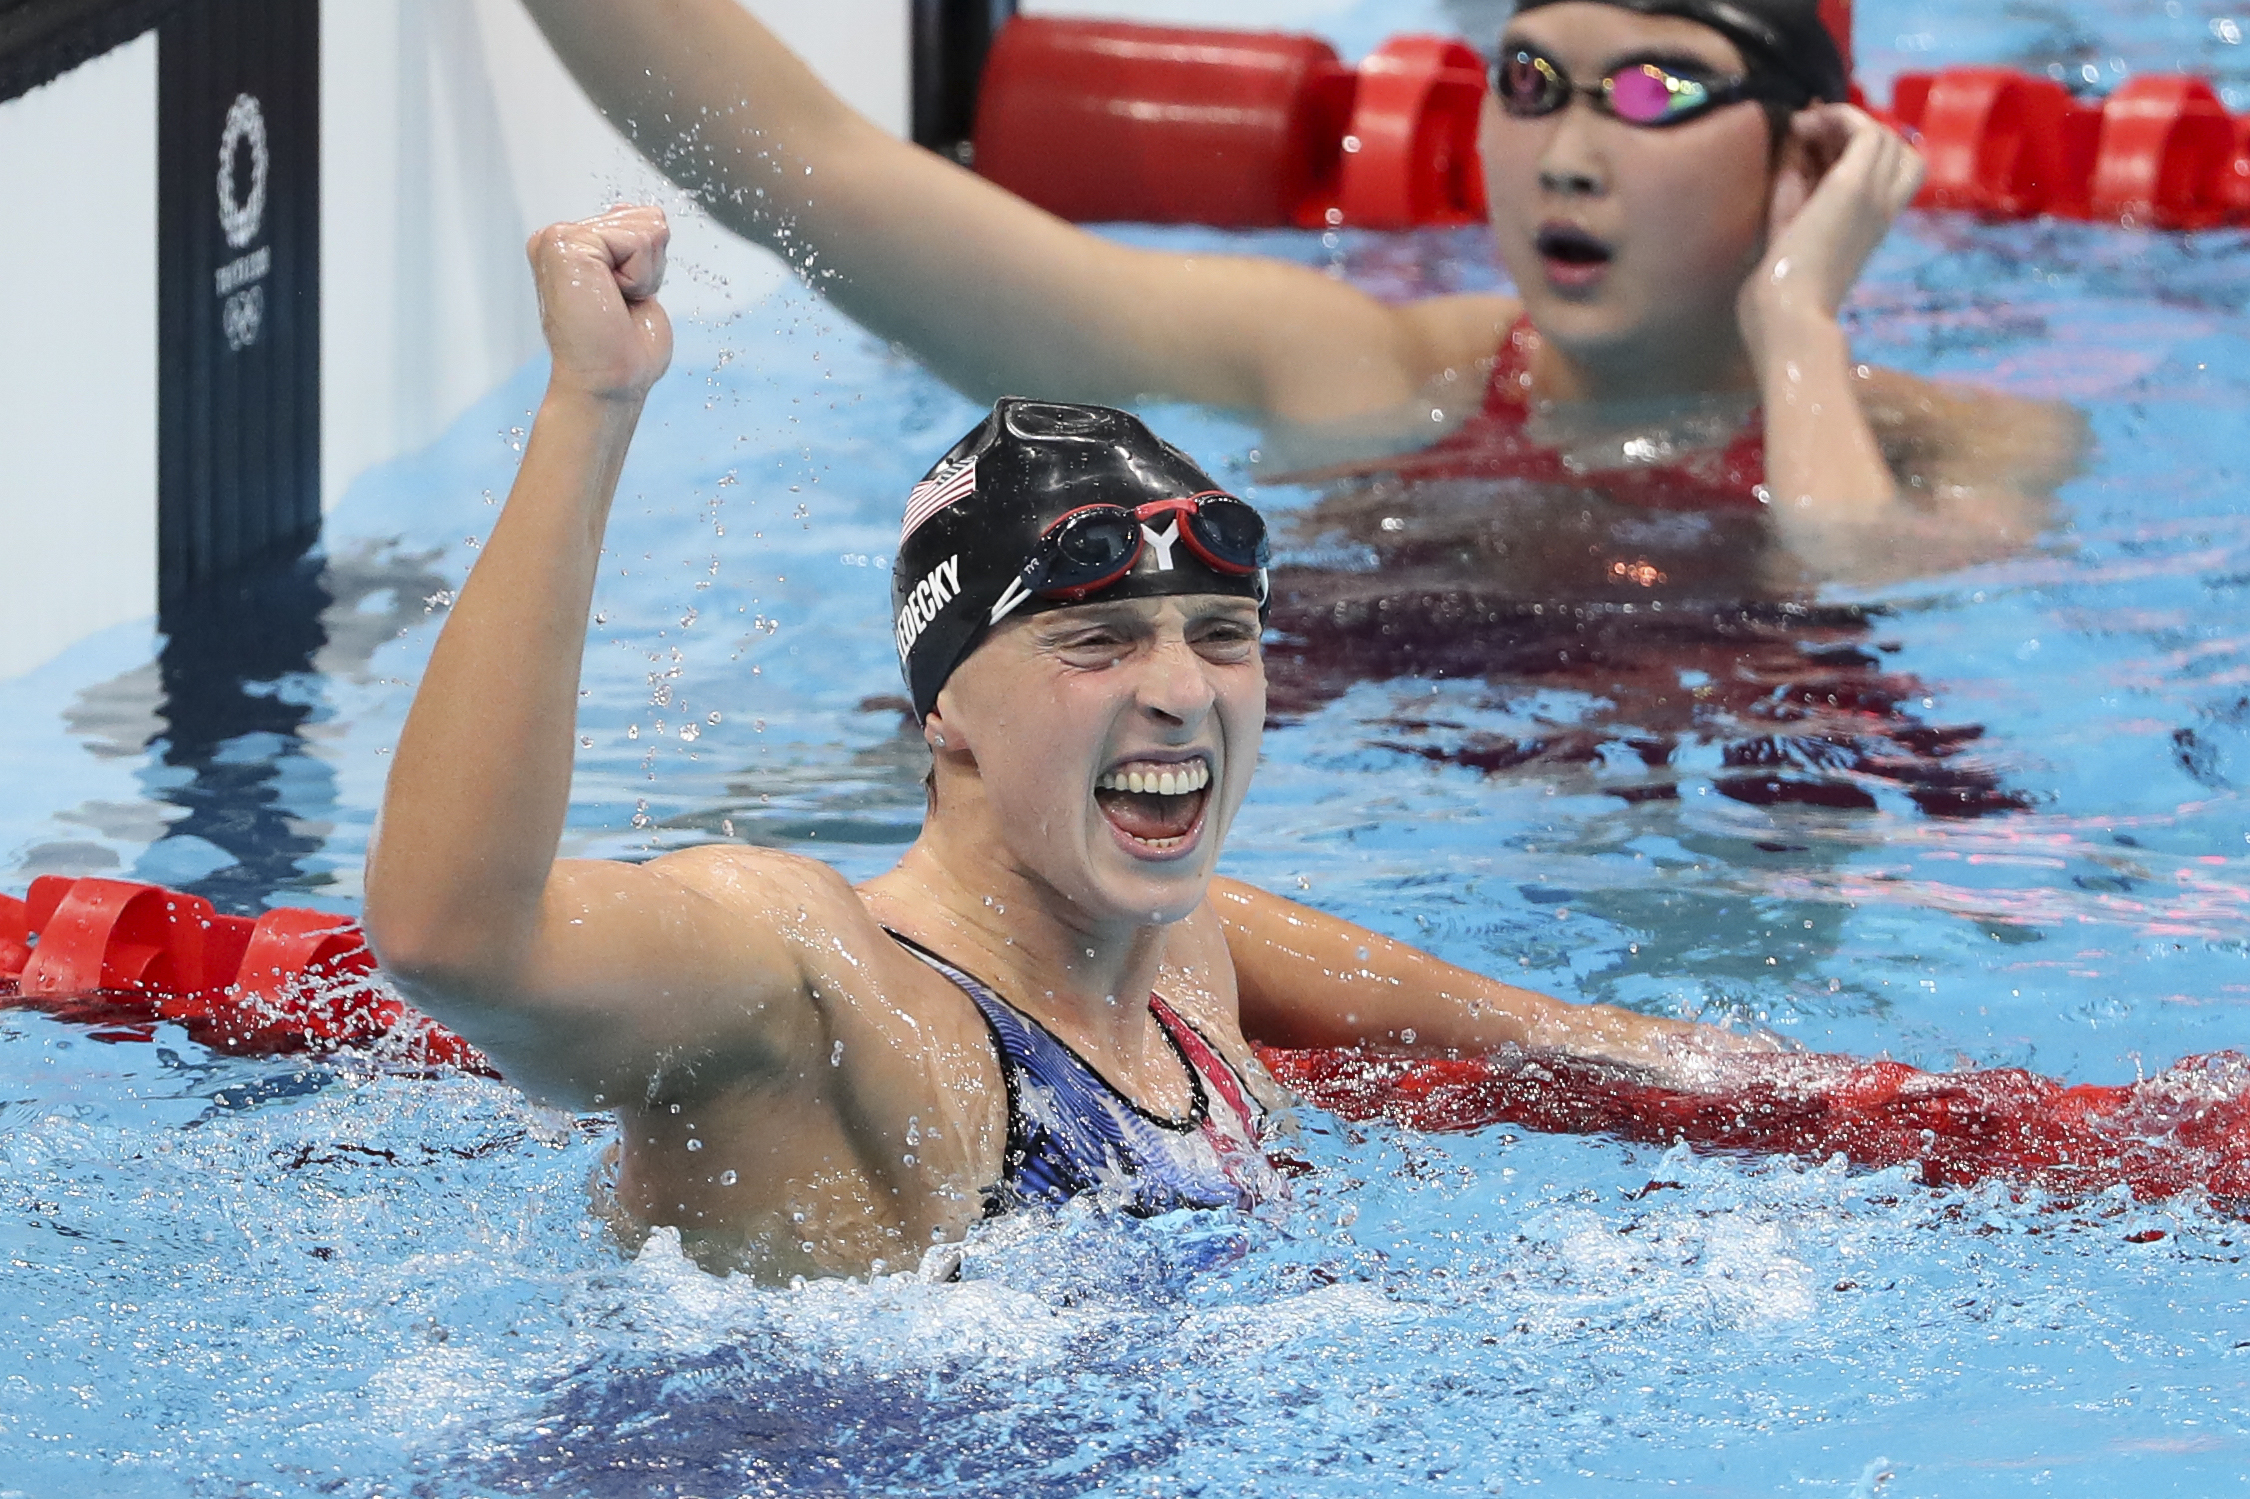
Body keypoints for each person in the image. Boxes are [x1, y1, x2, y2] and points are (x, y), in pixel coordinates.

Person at [362, 206, 1764, 1281]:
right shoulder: (817, 994)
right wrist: (588, 411)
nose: (1180, 693)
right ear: (943, 709)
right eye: (1094, 645)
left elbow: (1563, 1042)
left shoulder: (1183, 966)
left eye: (1222, 639)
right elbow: (451, 938)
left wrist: (1864, 1115)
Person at [521, 0, 2082, 591]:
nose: (1568, 153)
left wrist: (1796, 321)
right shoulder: (1354, 365)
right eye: (1531, 82)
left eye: (1656, 88)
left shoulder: (1981, 440)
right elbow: (815, 174)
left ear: (1812, 150)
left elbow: (1852, 574)